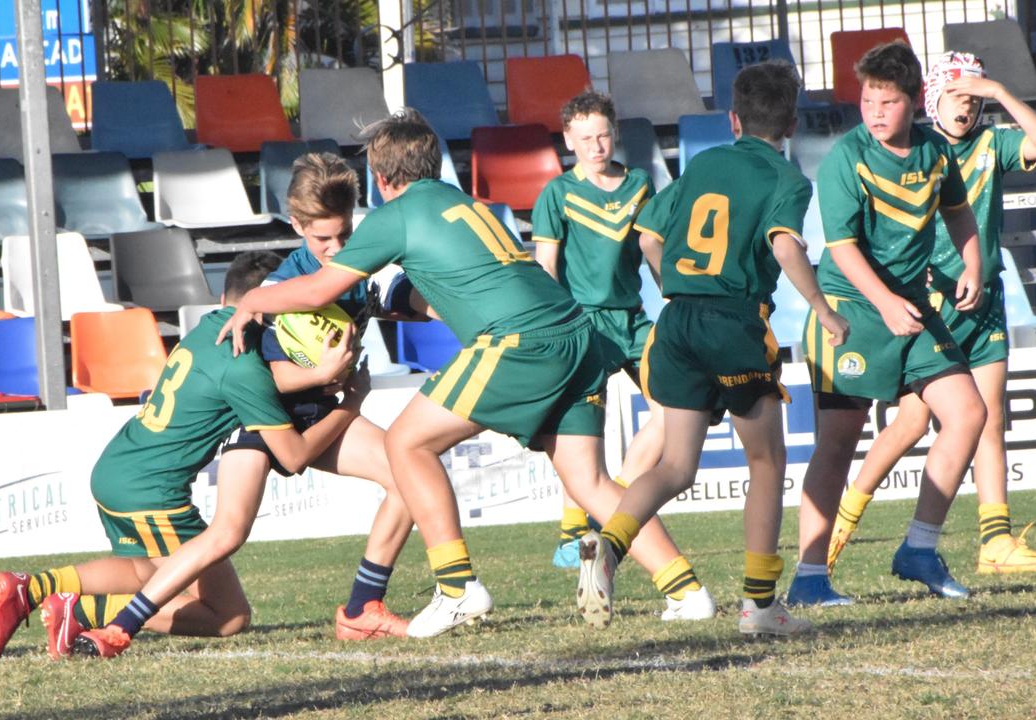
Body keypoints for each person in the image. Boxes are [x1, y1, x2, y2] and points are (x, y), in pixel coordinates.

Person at [219, 108, 715, 638]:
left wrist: (254, 297)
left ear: (382, 180)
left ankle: (456, 588)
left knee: (406, 443)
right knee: (587, 480)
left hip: (520, 341)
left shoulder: (397, 214)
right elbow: (437, 285)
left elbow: (320, 289)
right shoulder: (464, 203)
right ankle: (686, 591)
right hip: (576, 333)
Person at [0, 251, 370, 662]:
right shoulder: (244, 368)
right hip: (153, 492)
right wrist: (350, 403)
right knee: (228, 616)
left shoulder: (208, 329)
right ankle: (83, 609)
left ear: (223, 296)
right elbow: (292, 456)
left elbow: (252, 381)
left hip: (116, 469)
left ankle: (34, 587)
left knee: (148, 573)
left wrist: (316, 376)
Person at [575, 60, 847, 635]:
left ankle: (610, 546)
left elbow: (649, 235)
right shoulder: (787, 180)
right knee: (767, 462)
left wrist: (673, 285)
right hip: (732, 322)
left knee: (674, 465)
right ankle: (759, 607)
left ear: (733, 119)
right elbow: (785, 245)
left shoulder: (703, 164)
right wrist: (823, 309)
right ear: (791, 123)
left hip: (676, 323)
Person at [827, 52, 1036, 576]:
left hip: (983, 297)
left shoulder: (991, 144)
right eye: (958, 97)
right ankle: (843, 522)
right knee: (911, 421)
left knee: (989, 417)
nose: (966, 109)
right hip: (931, 297)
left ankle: (995, 540)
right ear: (932, 98)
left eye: (973, 101)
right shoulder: (922, 149)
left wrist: (1000, 91)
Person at [783, 41, 988, 606]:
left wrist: (972, 261)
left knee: (968, 414)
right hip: (851, 314)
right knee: (837, 444)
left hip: (910, 307)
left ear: (914, 101)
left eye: (888, 101)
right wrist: (884, 303)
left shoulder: (933, 152)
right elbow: (842, 249)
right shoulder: (846, 158)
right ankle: (809, 577)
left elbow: (957, 210)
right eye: (869, 99)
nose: (875, 111)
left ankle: (919, 548)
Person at [217, 153, 425, 641]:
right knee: (223, 536)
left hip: (323, 419)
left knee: (412, 478)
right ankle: (118, 610)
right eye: (322, 239)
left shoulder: (361, 270)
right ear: (296, 225)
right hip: (264, 421)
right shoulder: (279, 288)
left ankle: (361, 609)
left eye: (346, 235)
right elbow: (260, 380)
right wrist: (325, 374)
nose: (336, 249)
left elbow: (399, 299)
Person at [530, 90, 663, 569]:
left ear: (616, 133)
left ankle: (613, 515)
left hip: (633, 320)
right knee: (583, 434)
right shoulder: (557, 195)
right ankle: (574, 533)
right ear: (568, 139)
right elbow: (545, 266)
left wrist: (675, 295)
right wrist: (550, 327)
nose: (596, 145)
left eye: (603, 135)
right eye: (585, 137)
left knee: (676, 414)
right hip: (582, 323)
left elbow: (652, 249)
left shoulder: (641, 184)